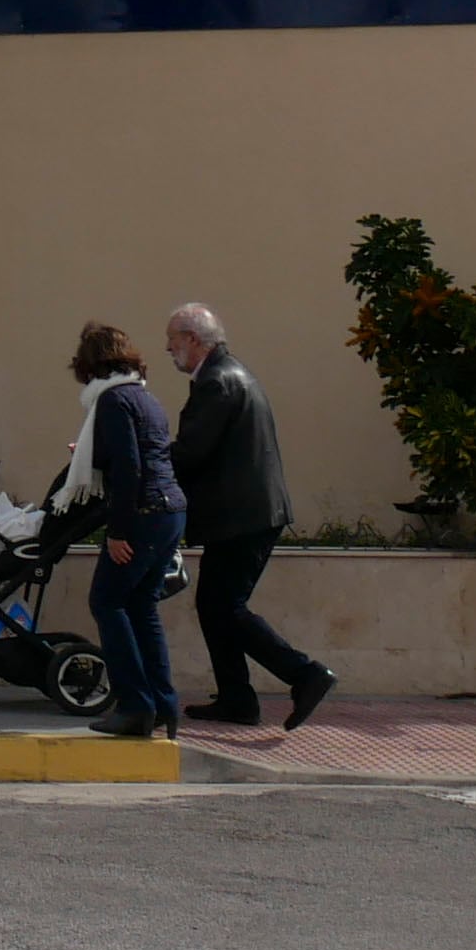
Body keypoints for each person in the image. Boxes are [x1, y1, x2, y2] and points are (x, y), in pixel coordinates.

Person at [169, 303, 336, 732]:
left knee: (224, 606)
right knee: (214, 605)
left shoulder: (216, 382)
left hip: (243, 517)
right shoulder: (230, 374)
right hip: (248, 514)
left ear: (192, 339)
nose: (169, 349)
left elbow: (190, 453)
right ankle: (237, 699)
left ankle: (304, 674)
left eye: (173, 340)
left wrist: (142, 457)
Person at [63, 321, 183, 738]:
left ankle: (134, 705)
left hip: (143, 514)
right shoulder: (145, 397)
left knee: (108, 602)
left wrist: (118, 532)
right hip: (170, 512)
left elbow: (131, 467)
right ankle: (164, 705)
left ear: (90, 364)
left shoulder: (112, 401)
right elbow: (146, 453)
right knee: (141, 605)